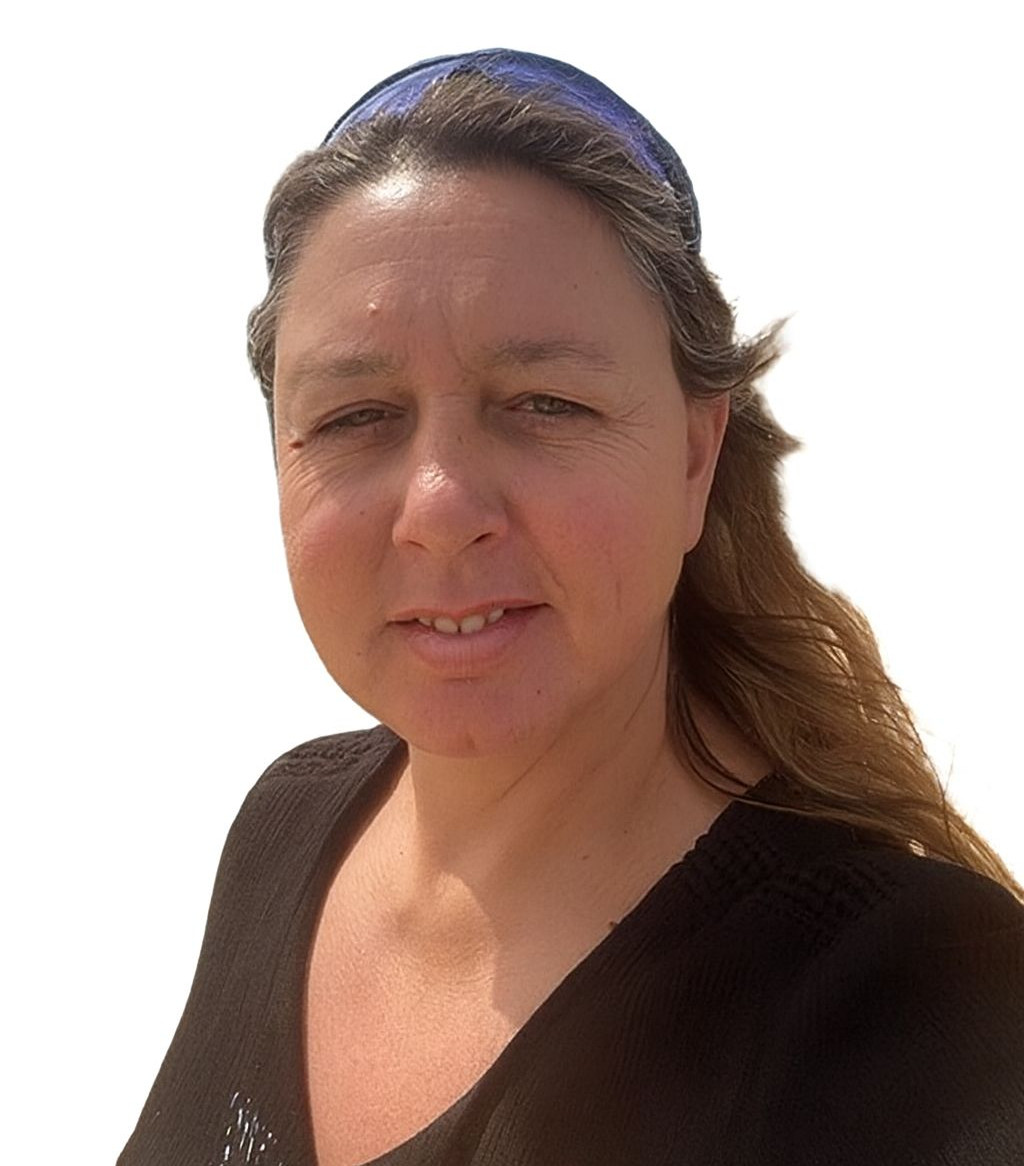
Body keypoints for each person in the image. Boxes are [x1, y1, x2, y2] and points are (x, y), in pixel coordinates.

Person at [119, 49, 1024, 1166]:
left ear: (695, 456)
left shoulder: (913, 1003)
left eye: (545, 403)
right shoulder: (285, 828)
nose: (440, 509)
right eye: (355, 416)